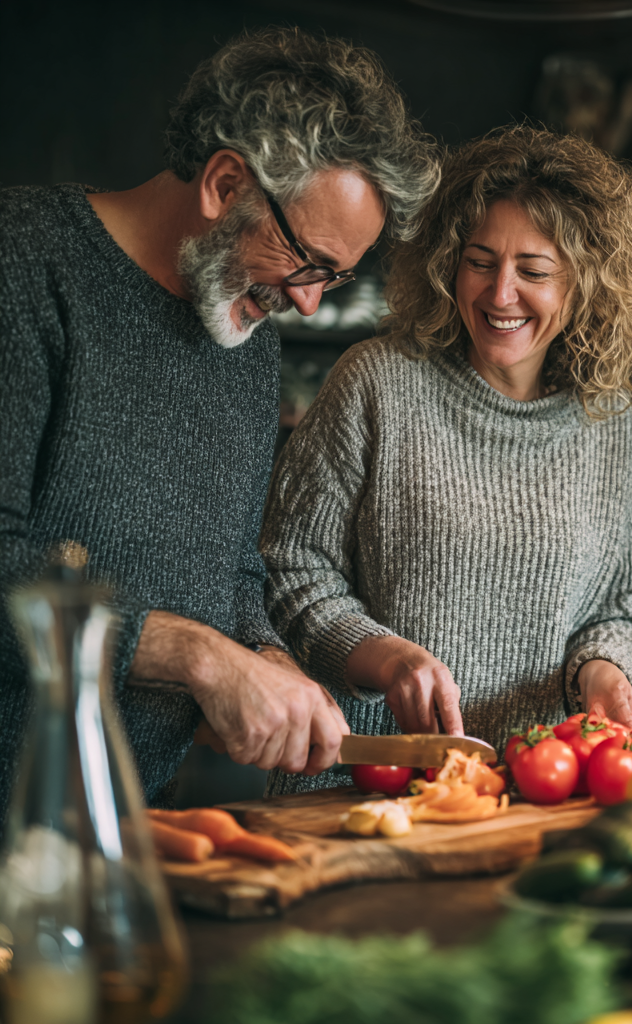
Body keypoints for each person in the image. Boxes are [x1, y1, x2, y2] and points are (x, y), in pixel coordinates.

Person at [0, 27, 439, 815]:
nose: (309, 301)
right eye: (307, 263)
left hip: (124, 815)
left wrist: (268, 658)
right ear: (227, 182)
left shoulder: (241, 340)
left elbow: (231, 571)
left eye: (334, 279)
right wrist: (201, 659)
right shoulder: (22, 264)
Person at [259, 125, 632, 791]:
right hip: (367, 788)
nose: (500, 293)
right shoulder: (377, 384)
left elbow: (621, 609)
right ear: (448, 261)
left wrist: (604, 670)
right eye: (480, 261)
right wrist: (384, 657)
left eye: (533, 271)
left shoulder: (613, 423)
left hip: (540, 787)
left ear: (585, 286)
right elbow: (287, 572)